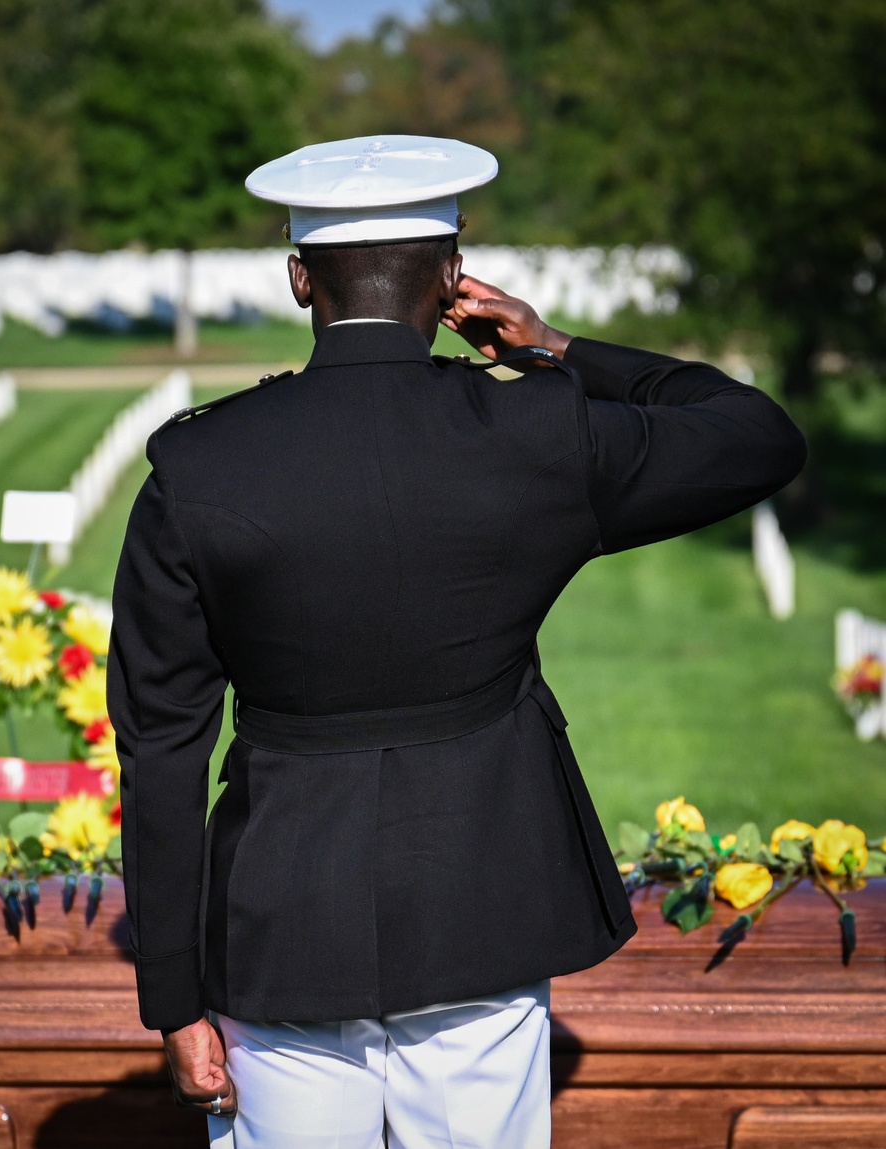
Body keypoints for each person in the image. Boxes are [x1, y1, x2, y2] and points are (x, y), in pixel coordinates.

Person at [107, 135, 806, 1149]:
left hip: (282, 919)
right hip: (485, 897)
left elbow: (161, 745)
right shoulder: (537, 435)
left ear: (299, 278)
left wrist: (171, 1002)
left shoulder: (200, 465)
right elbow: (755, 434)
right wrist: (560, 351)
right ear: (451, 277)